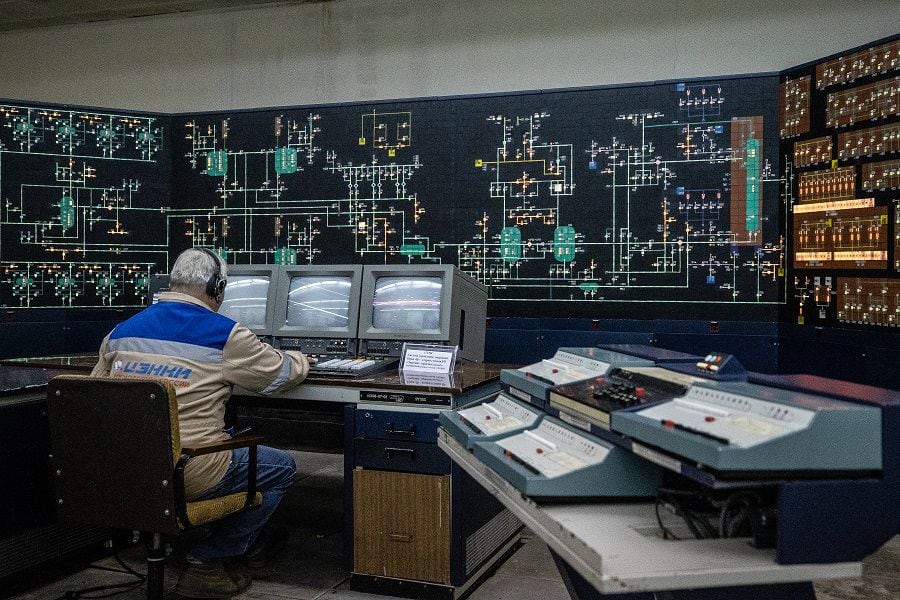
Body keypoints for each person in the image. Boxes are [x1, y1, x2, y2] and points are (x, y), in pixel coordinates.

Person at [91, 247, 312, 598]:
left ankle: (220, 545)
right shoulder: (225, 334)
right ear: (217, 287)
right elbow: (281, 375)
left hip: (124, 468)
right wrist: (302, 358)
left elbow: (94, 395)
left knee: (229, 436)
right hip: (187, 469)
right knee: (282, 467)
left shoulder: (120, 332)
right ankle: (209, 560)